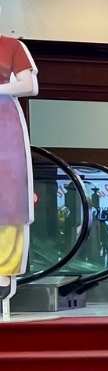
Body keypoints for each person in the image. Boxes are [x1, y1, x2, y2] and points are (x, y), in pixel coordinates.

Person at [0, 26, 37, 299]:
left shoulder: (11, 46)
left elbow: (29, 85)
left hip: (4, 122)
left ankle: (2, 273)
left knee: (9, 198)